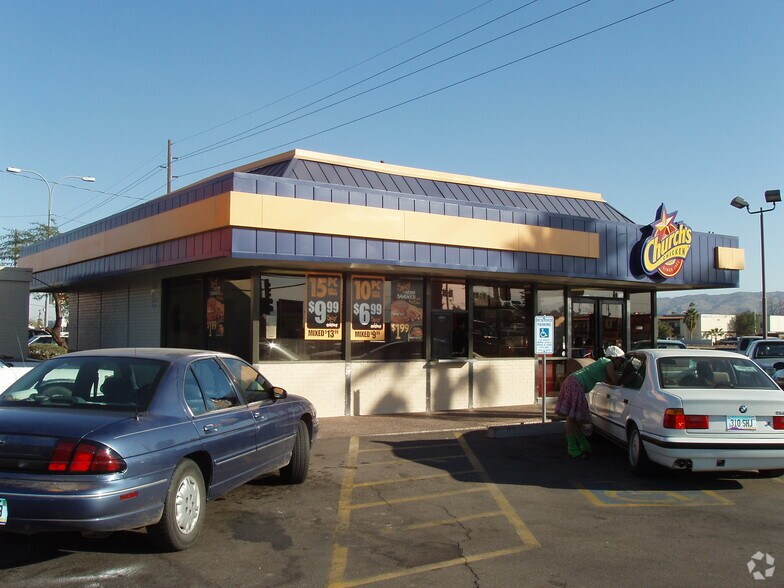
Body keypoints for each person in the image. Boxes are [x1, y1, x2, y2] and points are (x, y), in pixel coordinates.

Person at [554, 345, 626, 458]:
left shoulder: (602, 362)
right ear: (615, 358)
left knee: (575, 417)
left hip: (572, 382)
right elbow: (615, 381)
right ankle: (572, 447)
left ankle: (582, 444)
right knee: (572, 418)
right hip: (576, 385)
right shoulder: (608, 362)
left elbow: (608, 380)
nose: (621, 364)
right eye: (621, 360)